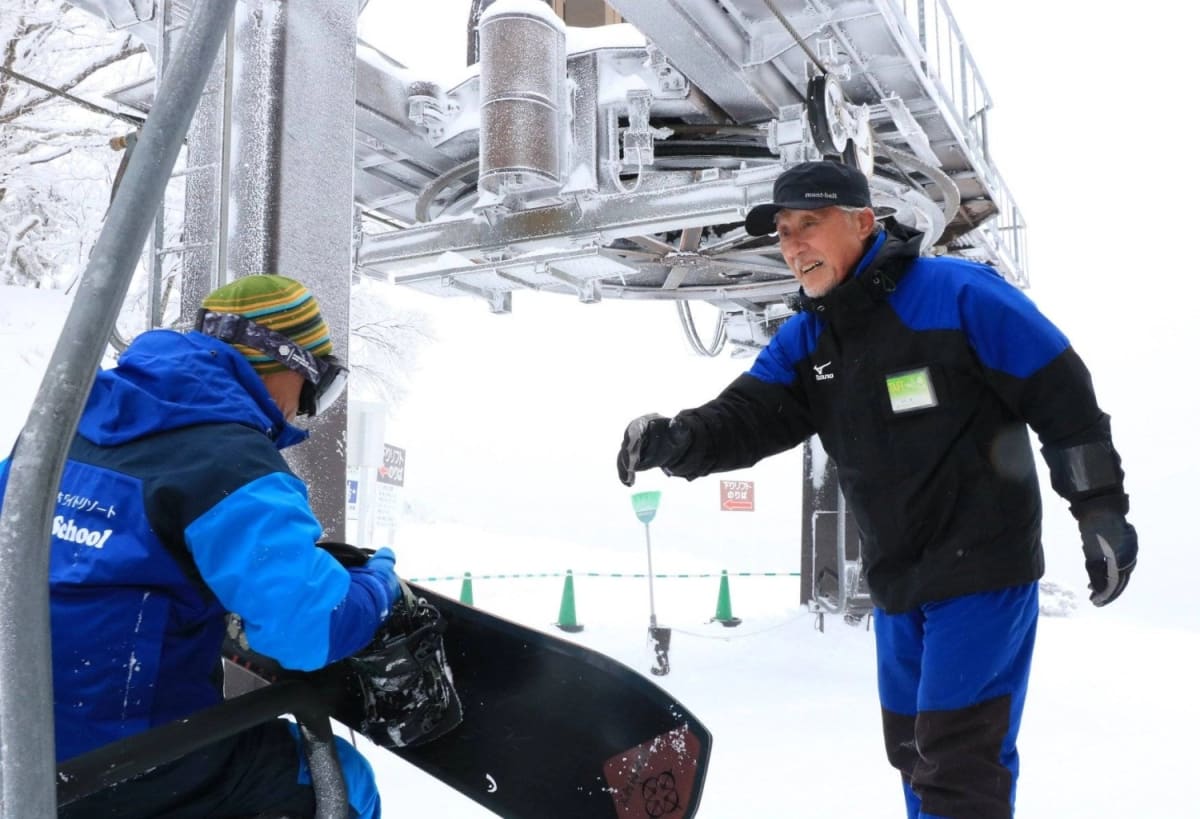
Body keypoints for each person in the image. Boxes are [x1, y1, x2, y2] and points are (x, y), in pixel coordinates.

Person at [615, 161, 1138, 819]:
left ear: (863, 222)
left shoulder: (956, 295)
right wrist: (674, 441)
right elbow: (743, 417)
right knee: (915, 755)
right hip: (896, 585)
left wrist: (1099, 509)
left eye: (810, 223)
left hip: (981, 575)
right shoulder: (808, 339)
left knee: (958, 764)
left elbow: (1060, 391)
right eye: (783, 231)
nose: (794, 245)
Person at [0, 274, 395, 818]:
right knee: (345, 780)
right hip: (121, 767)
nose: (300, 411)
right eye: (312, 388)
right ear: (286, 365)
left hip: (15, 740)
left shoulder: (68, 418)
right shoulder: (231, 462)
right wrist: (378, 586)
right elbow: (308, 630)